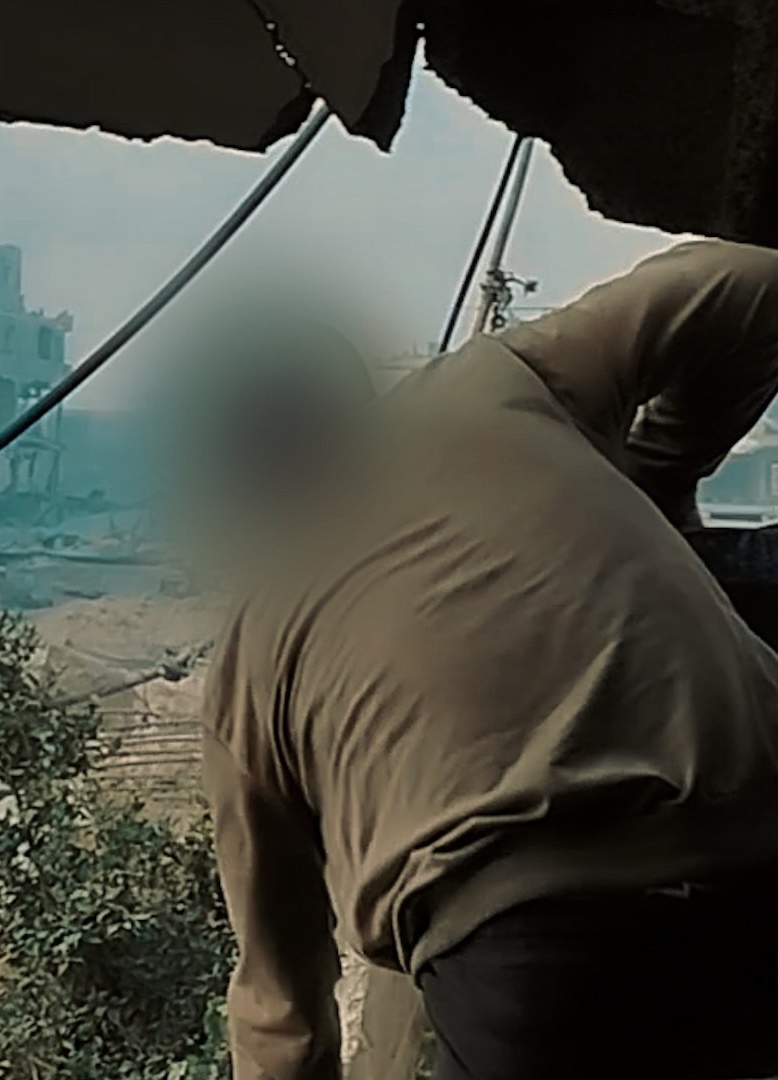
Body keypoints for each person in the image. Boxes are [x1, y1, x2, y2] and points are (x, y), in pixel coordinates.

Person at [176, 240, 778, 1080]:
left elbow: (281, 1019)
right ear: (357, 397)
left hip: (526, 965)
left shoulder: (250, 661)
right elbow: (750, 285)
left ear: (238, 484)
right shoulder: (486, 385)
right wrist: (662, 475)